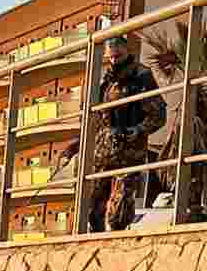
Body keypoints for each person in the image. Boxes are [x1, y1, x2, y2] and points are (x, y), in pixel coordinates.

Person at [59, 36, 166, 231]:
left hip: (128, 154)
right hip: (101, 154)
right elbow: (93, 122)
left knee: (119, 214)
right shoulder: (103, 81)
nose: (115, 60)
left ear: (126, 52)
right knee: (90, 209)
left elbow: (159, 115)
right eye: (111, 57)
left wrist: (138, 130)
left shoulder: (141, 76)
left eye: (118, 56)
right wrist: (73, 148)